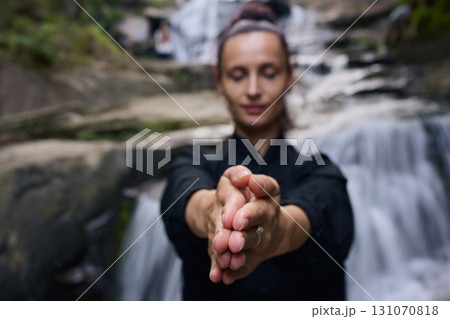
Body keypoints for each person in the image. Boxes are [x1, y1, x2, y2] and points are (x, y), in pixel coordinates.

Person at [161, 2, 354, 301]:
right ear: (219, 81)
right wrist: (214, 211)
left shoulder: (320, 170)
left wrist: (275, 231)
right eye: (238, 75)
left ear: (290, 77)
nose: (253, 89)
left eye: (268, 72)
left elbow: (321, 208)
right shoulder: (193, 162)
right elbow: (184, 194)